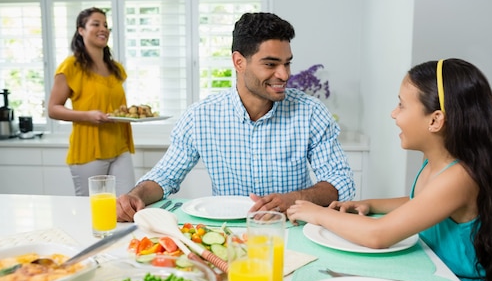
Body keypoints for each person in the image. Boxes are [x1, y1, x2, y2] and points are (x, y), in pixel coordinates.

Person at [287, 58, 492, 281]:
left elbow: (378, 235)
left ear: (435, 120)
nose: (393, 114)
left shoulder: (460, 177)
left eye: (401, 105)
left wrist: (316, 213)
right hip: (437, 277)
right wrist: (369, 203)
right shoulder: (438, 164)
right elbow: (421, 204)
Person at [116, 12, 355, 221]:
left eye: (287, 63)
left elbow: (340, 181)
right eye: (271, 64)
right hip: (227, 232)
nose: (283, 74)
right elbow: (165, 176)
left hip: (291, 228)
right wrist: (136, 196)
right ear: (239, 62)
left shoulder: (311, 112)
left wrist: (294, 199)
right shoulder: (201, 116)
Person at [48, 7, 135, 196]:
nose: (103, 28)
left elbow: (113, 104)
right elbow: (53, 109)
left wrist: (123, 111)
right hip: (89, 150)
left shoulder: (115, 68)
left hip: (119, 146)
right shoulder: (71, 67)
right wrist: (87, 115)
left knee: (128, 205)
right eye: (95, 24)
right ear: (81, 30)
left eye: (105, 25)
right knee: (89, 209)